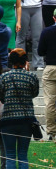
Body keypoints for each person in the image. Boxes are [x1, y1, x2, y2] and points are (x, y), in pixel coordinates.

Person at [0, 48, 39, 169]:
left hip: (8, 120)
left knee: (10, 155)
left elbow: (1, 97)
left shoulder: (4, 77)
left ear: (11, 61)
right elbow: (34, 94)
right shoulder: (31, 77)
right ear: (25, 61)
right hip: (26, 121)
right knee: (22, 155)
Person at [40, 12, 56, 141]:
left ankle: (51, 131)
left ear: (53, 18)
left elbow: (40, 51)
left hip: (51, 67)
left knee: (50, 101)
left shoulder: (47, 32)